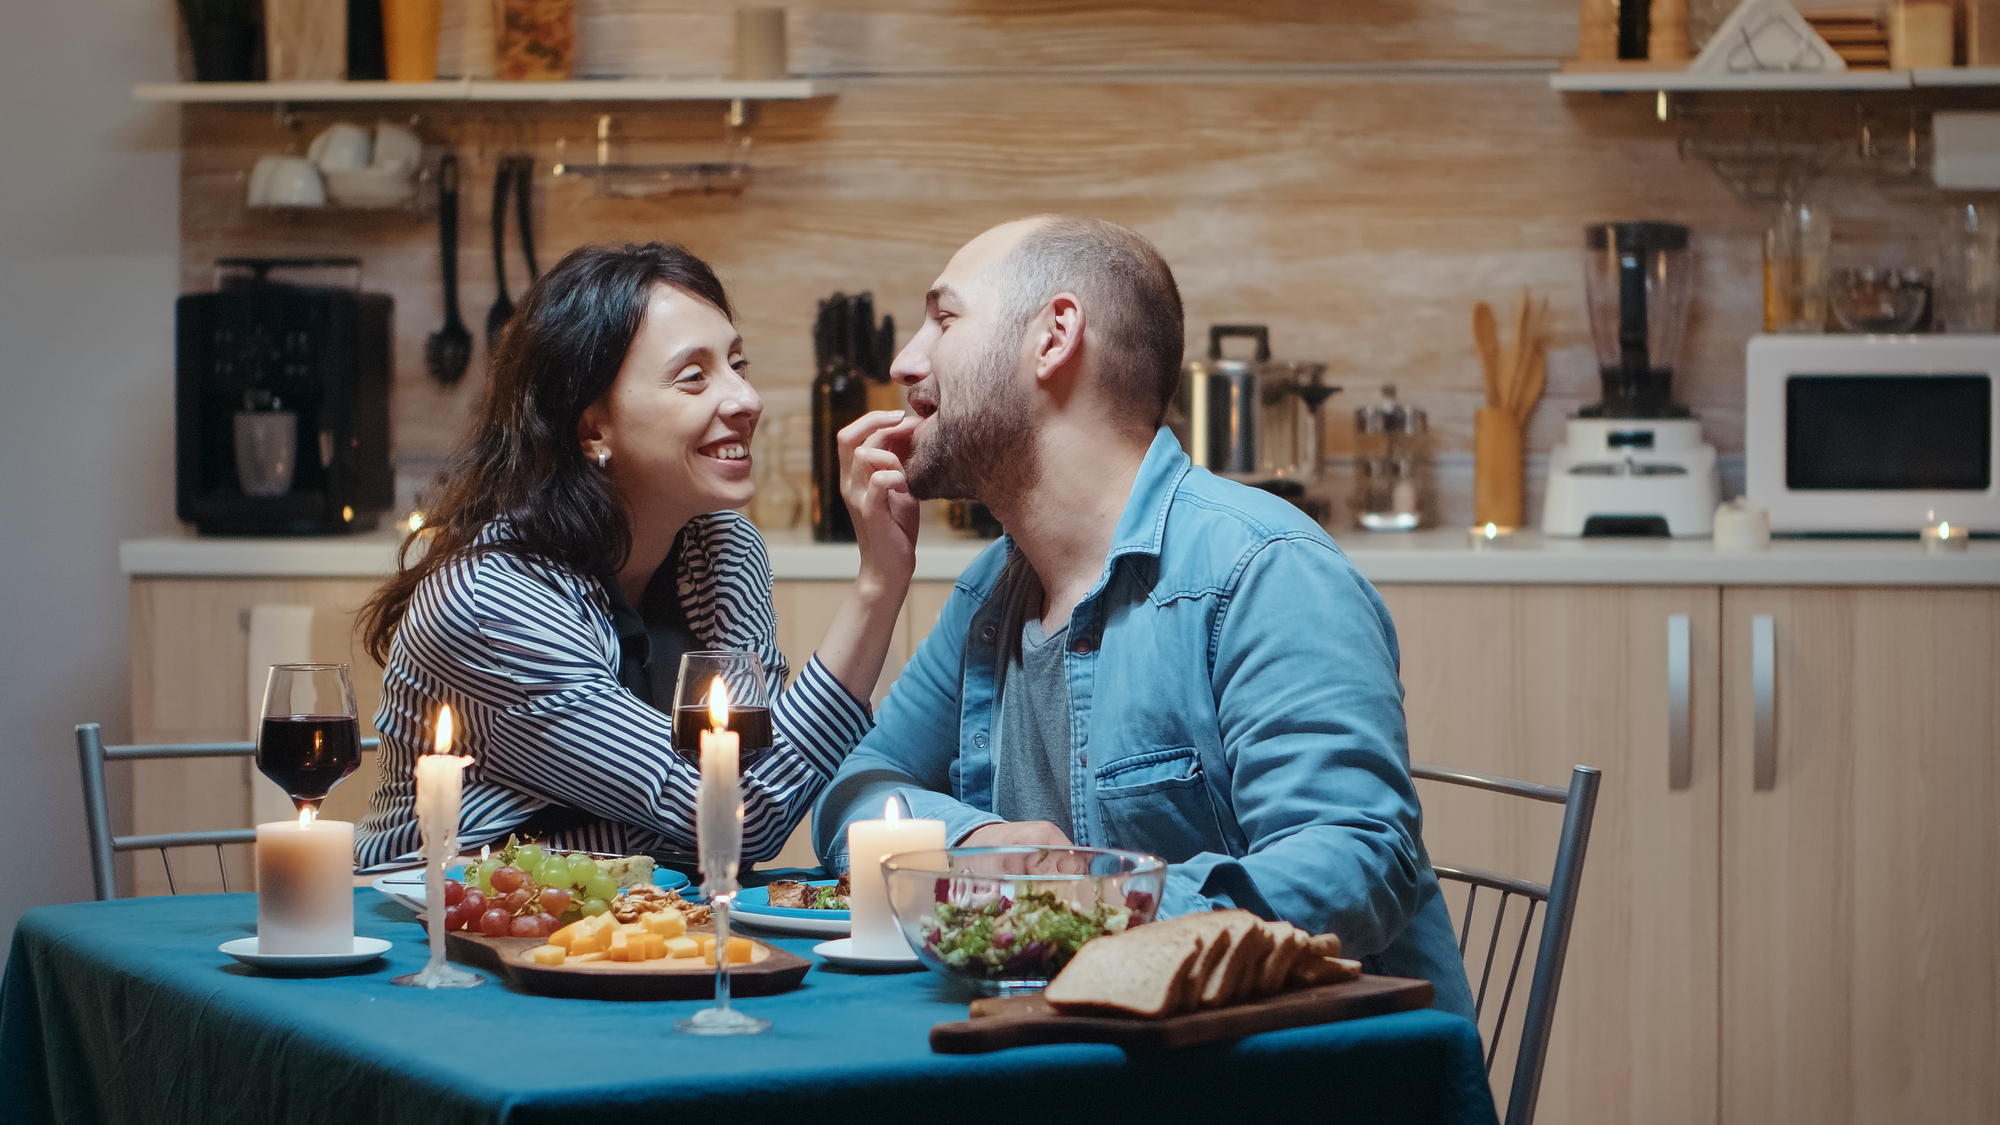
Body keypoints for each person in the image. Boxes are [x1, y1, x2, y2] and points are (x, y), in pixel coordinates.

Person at [812, 216, 1476, 1018]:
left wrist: (1088, 903)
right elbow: (853, 790)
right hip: (1095, 1065)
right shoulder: (993, 593)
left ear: (1055, 336)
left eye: (944, 319)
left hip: (1293, 1077)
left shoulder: (1261, 570)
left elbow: (1357, 866)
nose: (905, 359)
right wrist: (982, 846)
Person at [355, 242, 919, 870]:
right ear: (593, 428)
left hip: (633, 936)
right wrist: (878, 586)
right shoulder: (492, 601)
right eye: (694, 376)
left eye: (738, 364)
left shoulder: (723, 550)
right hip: (445, 938)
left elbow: (739, 797)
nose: (746, 400)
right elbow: (739, 813)